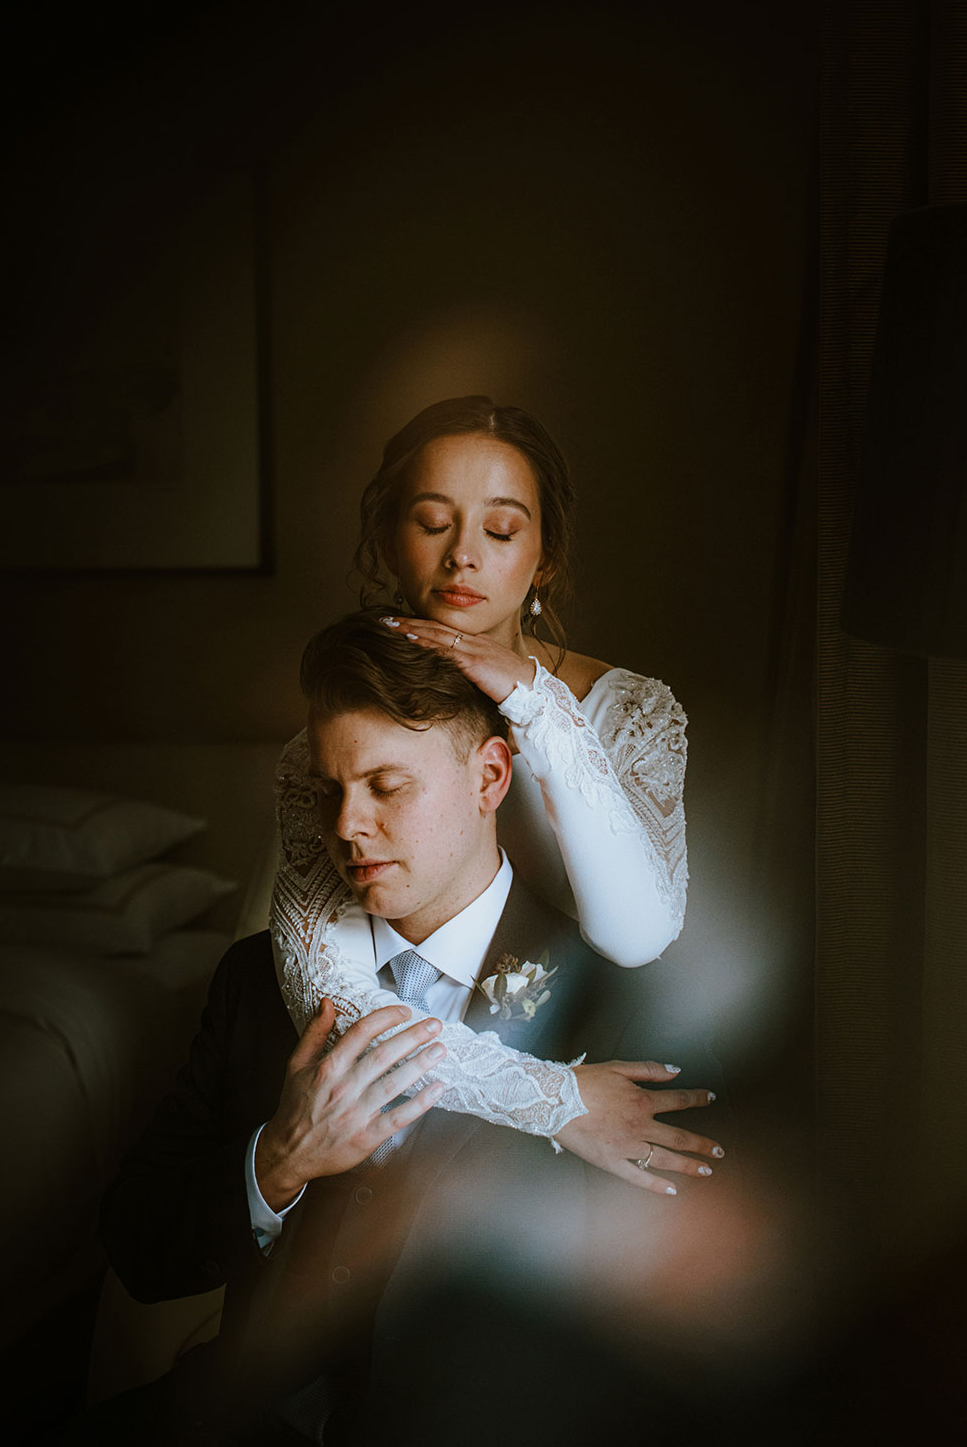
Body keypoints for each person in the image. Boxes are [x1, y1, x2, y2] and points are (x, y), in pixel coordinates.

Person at [90, 615, 724, 1446]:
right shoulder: (257, 978)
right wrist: (276, 1161)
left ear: (490, 775)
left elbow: (676, 1329)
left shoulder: (617, 1005)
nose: (347, 825)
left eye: (387, 786)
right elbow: (140, 1248)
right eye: (329, 790)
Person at [272, 396, 691, 1177]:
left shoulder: (628, 713)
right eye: (432, 523)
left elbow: (637, 937)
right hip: (423, 1030)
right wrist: (558, 1102)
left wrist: (537, 704)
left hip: (583, 1018)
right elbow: (330, 993)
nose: (463, 555)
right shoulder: (331, 748)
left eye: (500, 530)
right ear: (387, 544)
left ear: (546, 558)